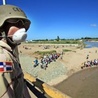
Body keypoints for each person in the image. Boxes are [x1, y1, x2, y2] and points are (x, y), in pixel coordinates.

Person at [0, 4, 31, 98]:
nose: (21, 28)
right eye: (15, 22)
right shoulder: (3, 59)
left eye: (23, 24)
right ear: (1, 29)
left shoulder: (10, 53)